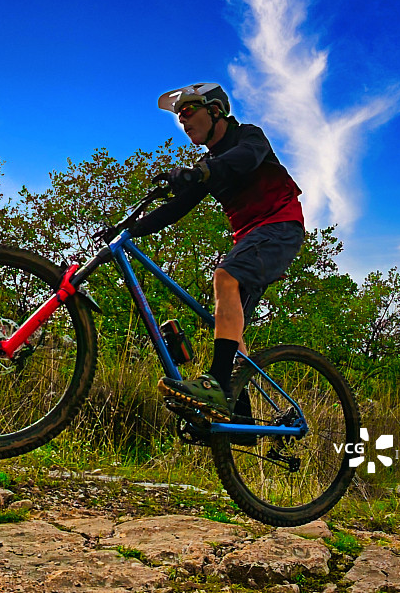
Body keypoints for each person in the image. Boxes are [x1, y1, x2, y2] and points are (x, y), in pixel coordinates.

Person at [130, 83, 305, 422]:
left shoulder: (247, 137)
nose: (183, 120)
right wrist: (129, 231)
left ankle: (216, 384)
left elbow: (244, 159)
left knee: (224, 276)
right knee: (229, 329)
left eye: (188, 111)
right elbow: (175, 209)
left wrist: (200, 172)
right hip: (251, 240)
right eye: (179, 116)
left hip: (280, 226)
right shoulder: (209, 163)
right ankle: (238, 419)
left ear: (214, 111)